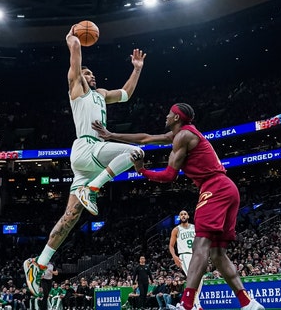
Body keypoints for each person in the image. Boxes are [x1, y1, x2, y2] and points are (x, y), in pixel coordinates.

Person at [93, 102, 264, 310]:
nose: (166, 116)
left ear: (176, 118)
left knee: (199, 247)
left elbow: (169, 176)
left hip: (214, 188)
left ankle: (187, 304)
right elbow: (145, 138)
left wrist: (142, 171)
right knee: (218, 254)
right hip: (228, 189)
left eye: (169, 113)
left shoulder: (183, 136)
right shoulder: (181, 135)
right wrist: (111, 135)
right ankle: (248, 303)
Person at [23, 25, 147, 297]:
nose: (91, 76)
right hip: (86, 147)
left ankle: (39, 263)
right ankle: (91, 189)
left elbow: (126, 93)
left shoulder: (101, 95)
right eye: (87, 73)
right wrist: (72, 40)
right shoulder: (76, 87)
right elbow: (76, 56)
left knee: (70, 217)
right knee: (137, 152)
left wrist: (136, 68)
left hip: (91, 158)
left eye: (92, 74)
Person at [169, 210, 203, 310]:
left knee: (201, 280)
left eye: (185, 214)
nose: (183, 216)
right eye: (181, 214)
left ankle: (187, 303)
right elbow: (171, 246)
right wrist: (174, 257)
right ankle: (197, 305)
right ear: (179, 217)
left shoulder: (195, 227)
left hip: (196, 255)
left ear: (188, 216)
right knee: (193, 278)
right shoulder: (176, 229)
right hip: (184, 255)